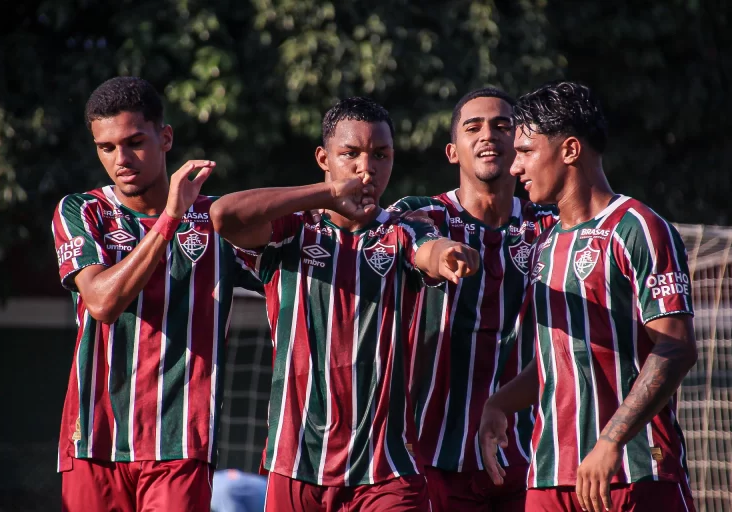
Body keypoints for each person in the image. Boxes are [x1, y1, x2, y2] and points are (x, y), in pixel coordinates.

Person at [211, 97, 481, 512]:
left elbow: (430, 251)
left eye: (380, 155)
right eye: (350, 154)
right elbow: (223, 215)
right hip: (296, 464)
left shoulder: (402, 231)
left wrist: (448, 255)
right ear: (324, 158)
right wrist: (327, 194)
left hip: (386, 470)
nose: (366, 168)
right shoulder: (294, 230)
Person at [479, 81, 697, 512]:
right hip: (550, 476)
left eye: (525, 151)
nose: (514, 166)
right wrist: (499, 403)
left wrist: (611, 439)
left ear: (571, 150)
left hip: (634, 470)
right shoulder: (542, 244)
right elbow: (557, 359)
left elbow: (676, 347)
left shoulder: (638, 228)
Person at [51, 76, 259, 512]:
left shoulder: (216, 223)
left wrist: (334, 194)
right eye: (106, 148)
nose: (121, 159)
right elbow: (103, 302)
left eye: (134, 142)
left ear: (165, 138)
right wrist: (169, 218)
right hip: (94, 439)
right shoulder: (82, 211)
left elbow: (314, 253)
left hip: (180, 442)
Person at [389, 88, 557, 512]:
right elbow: (422, 244)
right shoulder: (420, 214)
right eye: (473, 127)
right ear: (452, 151)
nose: (489, 135)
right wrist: (443, 254)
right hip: (433, 454)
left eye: (503, 126)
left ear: (519, 146)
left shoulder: (549, 227)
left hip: (529, 453)